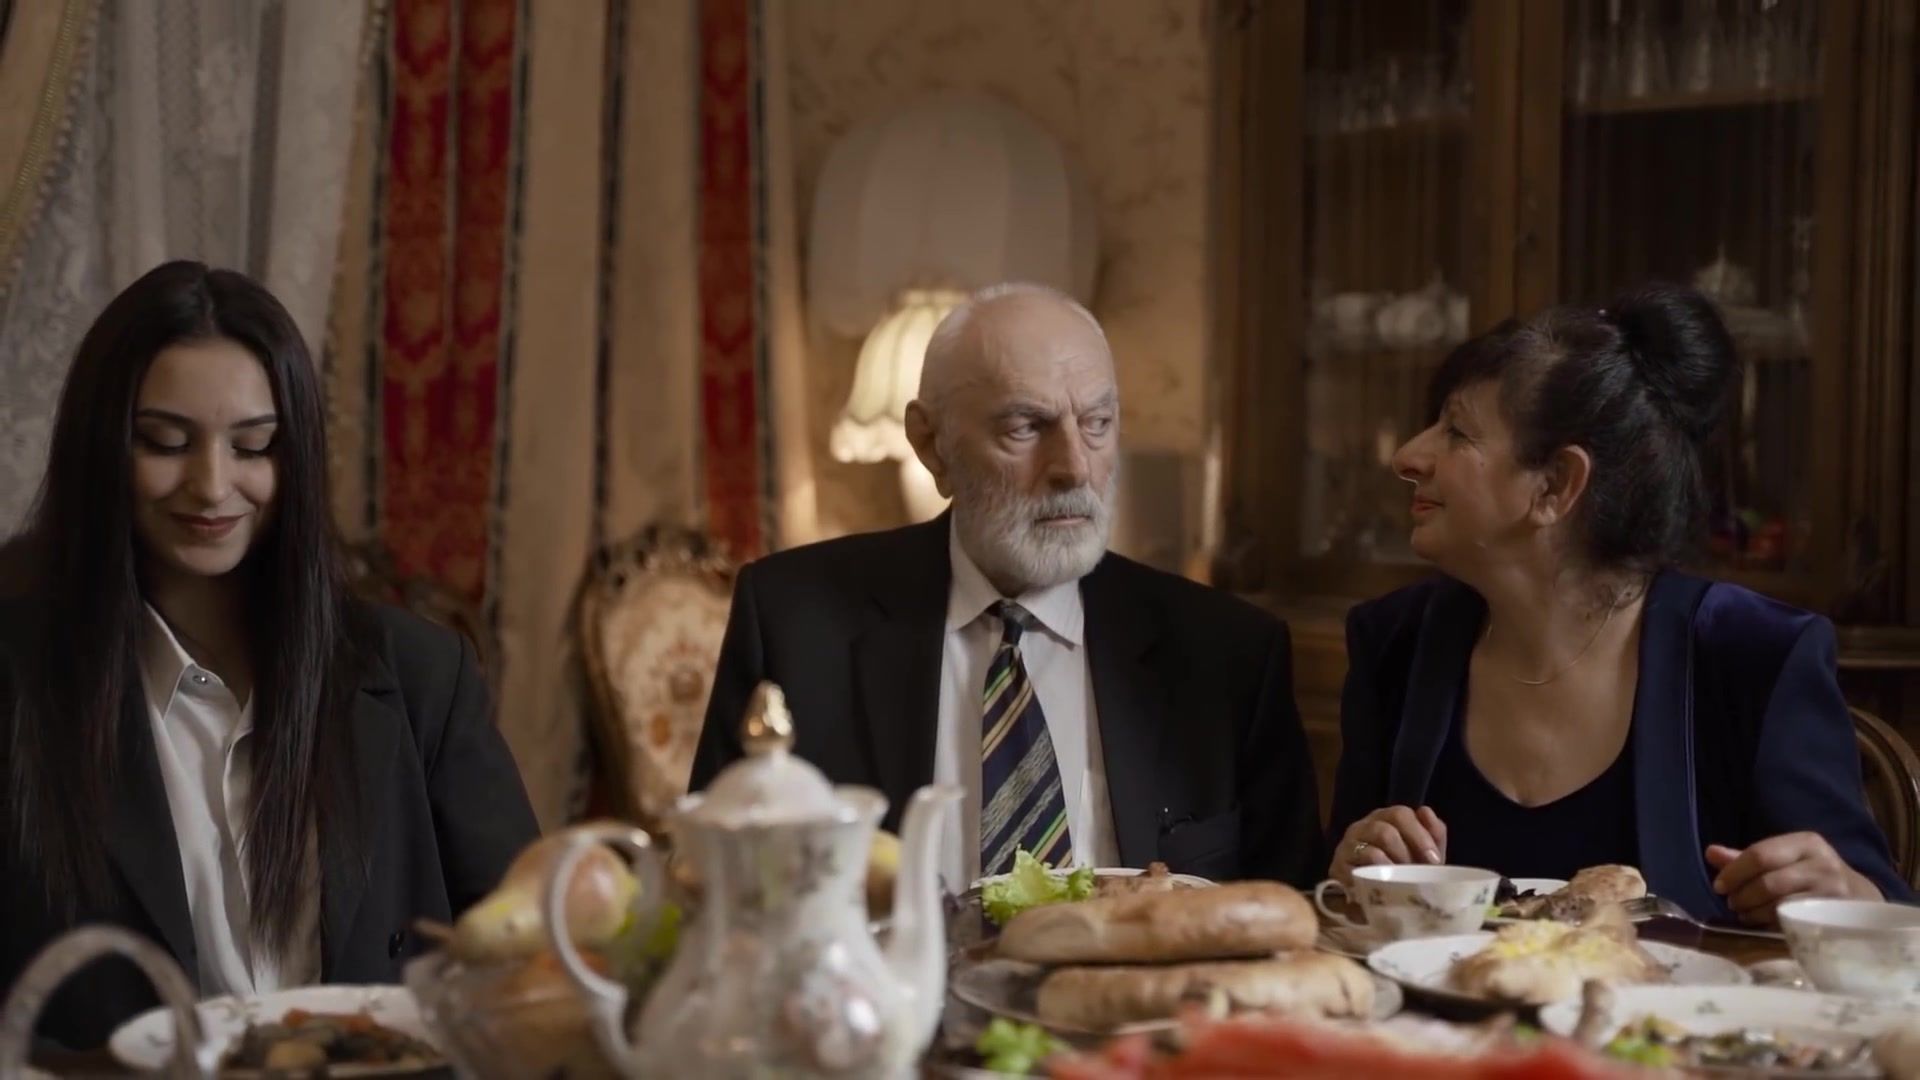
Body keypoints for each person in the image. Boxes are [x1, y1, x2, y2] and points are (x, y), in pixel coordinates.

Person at [0, 261, 540, 1048]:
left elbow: (531, 957)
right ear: (101, 447)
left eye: (253, 446)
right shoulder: (19, 677)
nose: (211, 484)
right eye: (165, 442)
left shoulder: (420, 675)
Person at [691, 283, 1325, 890]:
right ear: (931, 444)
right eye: (1025, 427)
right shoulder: (794, 622)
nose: (1073, 467)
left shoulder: (1228, 653)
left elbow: (1291, 917)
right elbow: (711, 884)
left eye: (1097, 423)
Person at [1328, 283, 1910, 925]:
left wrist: (1848, 893)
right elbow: (1337, 910)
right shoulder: (1394, 643)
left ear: (1556, 484)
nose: (1407, 456)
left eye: (1457, 432)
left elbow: (1889, 923)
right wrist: (1354, 864)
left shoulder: (1752, 654)